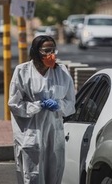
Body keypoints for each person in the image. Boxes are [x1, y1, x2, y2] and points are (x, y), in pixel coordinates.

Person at [8, 35, 76, 184]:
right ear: (36, 51)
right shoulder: (22, 71)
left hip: (53, 131)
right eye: (46, 50)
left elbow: (71, 103)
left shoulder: (61, 72)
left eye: (53, 50)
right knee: (32, 174)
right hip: (30, 132)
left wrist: (59, 105)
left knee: (53, 171)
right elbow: (14, 104)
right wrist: (37, 105)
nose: (51, 54)